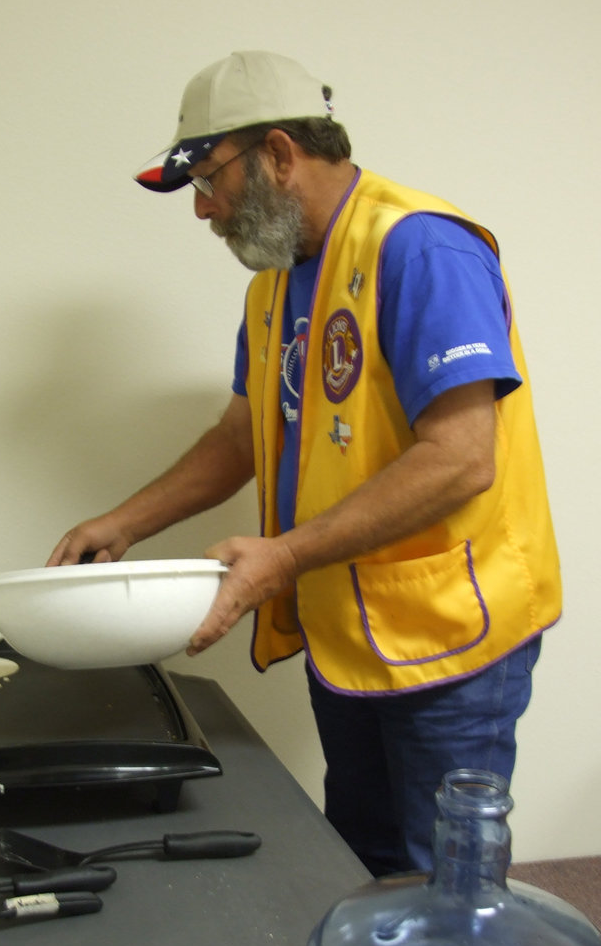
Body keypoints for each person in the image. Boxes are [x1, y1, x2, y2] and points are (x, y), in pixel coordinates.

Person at [48, 50, 561, 876]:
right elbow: (243, 437)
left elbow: (462, 460)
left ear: (281, 153)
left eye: (207, 179)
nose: (201, 208)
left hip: (452, 631)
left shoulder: (421, 249)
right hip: (349, 630)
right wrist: (123, 524)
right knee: (360, 857)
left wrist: (282, 557)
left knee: (444, 881)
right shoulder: (274, 285)